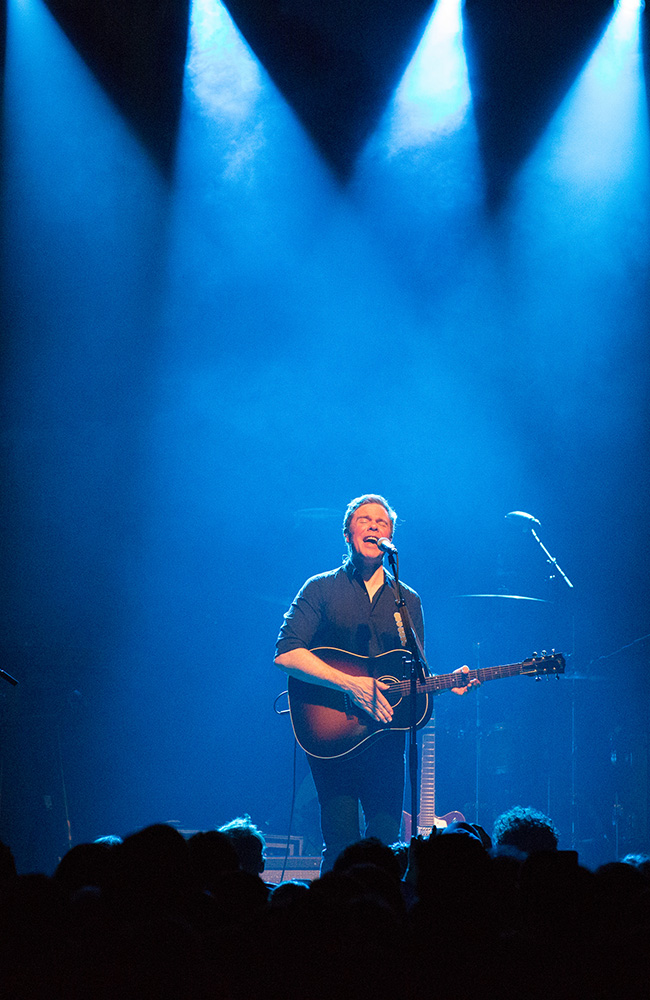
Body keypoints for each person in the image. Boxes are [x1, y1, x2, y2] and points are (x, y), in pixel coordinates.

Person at [275, 493, 474, 872]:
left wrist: (446, 683)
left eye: (382, 523)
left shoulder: (407, 599)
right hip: (332, 731)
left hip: (386, 740)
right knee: (340, 842)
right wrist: (350, 684)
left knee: (386, 844)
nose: (374, 526)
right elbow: (286, 653)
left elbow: (412, 673)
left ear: (390, 537)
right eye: (364, 520)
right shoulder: (320, 588)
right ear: (347, 533)